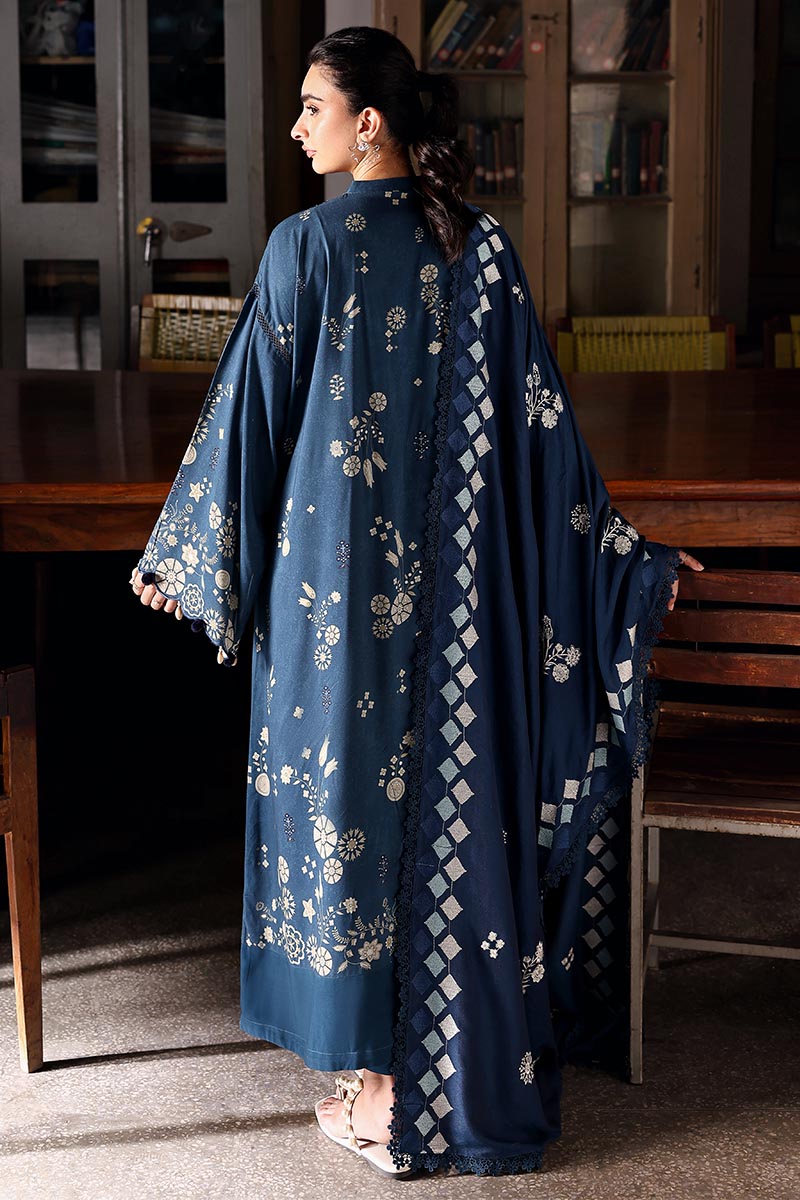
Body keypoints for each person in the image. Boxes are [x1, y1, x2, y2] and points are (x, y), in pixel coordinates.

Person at [129, 25, 703, 1179]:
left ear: (369, 123)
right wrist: (618, 557)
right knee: (438, 816)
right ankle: (400, 1079)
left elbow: (250, 417)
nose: (297, 127)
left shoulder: (306, 245)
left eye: (312, 107)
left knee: (339, 813)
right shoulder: (480, 249)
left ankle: (387, 1099)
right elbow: (547, 440)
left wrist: (185, 556)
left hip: (332, 602)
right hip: (456, 624)